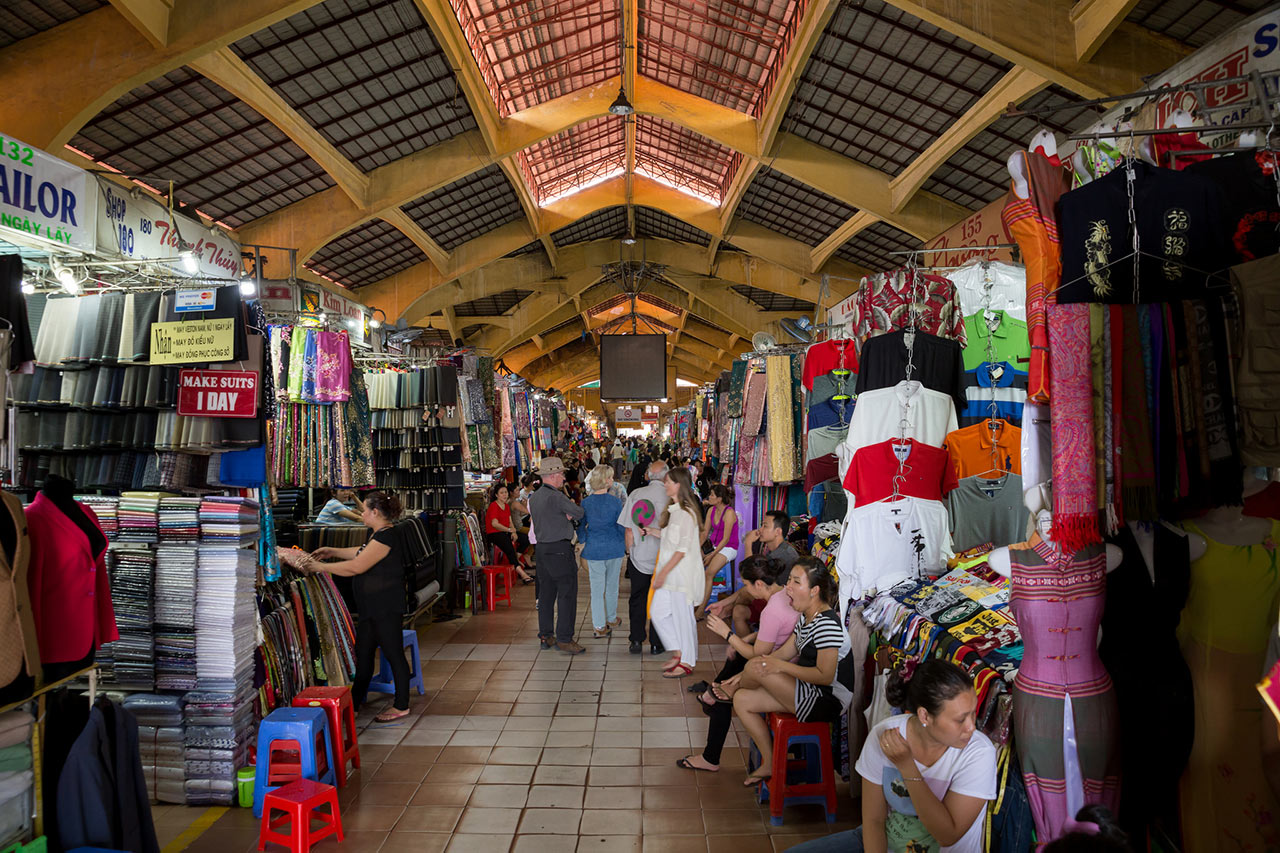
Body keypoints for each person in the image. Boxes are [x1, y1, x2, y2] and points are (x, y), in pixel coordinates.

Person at [785, 658, 998, 853]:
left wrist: (907, 767)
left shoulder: (979, 753)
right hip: (887, 842)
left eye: (973, 713)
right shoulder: (885, 734)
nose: (972, 726)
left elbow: (947, 835)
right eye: (960, 719)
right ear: (924, 715)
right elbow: (874, 820)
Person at [727, 557, 856, 786]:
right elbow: (785, 652)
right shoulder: (807, 617)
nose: (788, 587)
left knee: (755, 669)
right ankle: (769, 761)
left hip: (827, 699)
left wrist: (772, 667)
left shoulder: (827, 623)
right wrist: (762, 665)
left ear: (814, 590)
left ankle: (727, 690)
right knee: (742, 699)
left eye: (796, 582)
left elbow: (825, 676)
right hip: (809, 689)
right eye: (789, 580)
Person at [678, 556, 799, 773]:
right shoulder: (783, 596)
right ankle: (714, 693)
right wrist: (743, 639)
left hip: (777, 669)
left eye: (746, 584)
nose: (746, 589)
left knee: (720, 697)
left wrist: (728, 634)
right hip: (776, 661)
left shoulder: (773, 609)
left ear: (759, 584)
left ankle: (710, 757)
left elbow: (757, 654)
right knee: (732, 664)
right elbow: (769, 638)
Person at [306, 491, 411, 722]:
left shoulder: (387, 537)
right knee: (363, 656)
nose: (361, 514)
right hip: (371, 608)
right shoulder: (379, 534)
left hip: (385, 608)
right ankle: (354, 703)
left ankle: (401, 704)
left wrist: (320, 567)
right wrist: (331, 551)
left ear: (375, 512)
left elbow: (357, 566)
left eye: (364, 510)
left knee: (394, 654)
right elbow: (360, 552)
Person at [646, 467, 705, 678]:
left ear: (679, 484)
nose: (665, 484)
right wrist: (654, 532)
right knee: (658, 612)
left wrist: (662, 574)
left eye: (668, 481)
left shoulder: (686, 513)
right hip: (670, 573)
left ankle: (687, 661)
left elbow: (681, 550)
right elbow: (673, 539)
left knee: (683, 618)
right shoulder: (676, 511)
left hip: (680, 575)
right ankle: (679, 651)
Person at [708, 510, 800, 636]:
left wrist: (748, 544)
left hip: (783, 606)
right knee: (739, 610)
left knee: (745, 594)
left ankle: (746, 643)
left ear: (778, 532)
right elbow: (750, 582)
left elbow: (750, 575)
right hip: (769, 598)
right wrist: (723, 603)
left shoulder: (784, 554)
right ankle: (747, 646)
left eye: (765, 526)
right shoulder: (773, 550)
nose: (760, 530)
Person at [528, 457, 586, 654]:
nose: (563, 477)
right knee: (567, 593)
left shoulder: (534, 497)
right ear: (552, 476)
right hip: (560, 550)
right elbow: (578, 513)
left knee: (546, 594)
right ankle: (564, 638)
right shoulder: (557, 497)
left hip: (542, 549)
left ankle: (546, 635)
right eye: (561, 474)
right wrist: (569, 510)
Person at [619, 461, 671, 654]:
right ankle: (657, 643)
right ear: (666, 476)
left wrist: (629, 552)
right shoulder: (672, 497)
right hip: (665, 559)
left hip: (639, 556)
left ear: (648, 475)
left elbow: (628, 531)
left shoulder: (636, 495)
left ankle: (636, 640)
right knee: (661, 600)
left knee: (638, 598)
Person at [580, 465, 627, 638]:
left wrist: (584, 541)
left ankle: (599, 625)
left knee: (597, 589)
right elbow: (621, 526)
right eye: (611, 477)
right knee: (612, 586)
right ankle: (612, 618)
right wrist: (626, 544)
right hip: (614, 547)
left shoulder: (585, 502)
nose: (613, 480)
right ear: (605, 480)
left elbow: (581, 525)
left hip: (594, 548)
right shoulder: (615, 502)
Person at [698, 484, 739, 618]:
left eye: (712, 495)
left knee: (709, 573)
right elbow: (704, 533)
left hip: (729, 547)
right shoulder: (711, 510)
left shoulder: (729, 513)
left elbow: (726, 539)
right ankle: (698, 601)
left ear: (720, 498)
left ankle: (701, 610)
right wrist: (697, 548)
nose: (709, 497)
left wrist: (711, 555)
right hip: (716, 546)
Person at [484, 482, 534, 584]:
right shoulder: (493, 506)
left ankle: (515, 560)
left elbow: (510, 521)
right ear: (496, 495)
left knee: (525, 539)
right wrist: (509, 530)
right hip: (494, 533)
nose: (504, 494)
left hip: (506, 531)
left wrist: (514, 531)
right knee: (509, 547)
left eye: (505, 492)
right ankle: (522, 574)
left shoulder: (506, 506)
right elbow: (495, 524)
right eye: (501, 493)